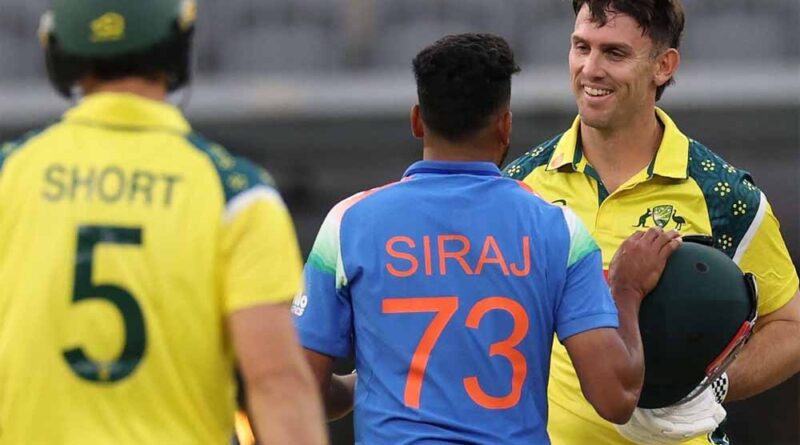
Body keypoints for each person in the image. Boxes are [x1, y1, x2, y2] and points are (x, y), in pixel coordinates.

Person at [293, 33, 681, 444]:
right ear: (505, 126)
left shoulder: (349, 223)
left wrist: (363, 384)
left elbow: (300, 390)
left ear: (417, 121)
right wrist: (626, 288)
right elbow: (615, 397)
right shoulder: (558, 229)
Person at [0, 1, 328, 444]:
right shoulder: (237, 193)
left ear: (58, 52)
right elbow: (276, 383)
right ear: (178, 45)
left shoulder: (9, 174)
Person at [503, 1, 800, 444]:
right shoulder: (517, 187)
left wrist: (710, 388)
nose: (590, 69)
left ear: (664, 66)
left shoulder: (722, 194)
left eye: (615, 53)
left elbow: (791, 326)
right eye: (581, 47)